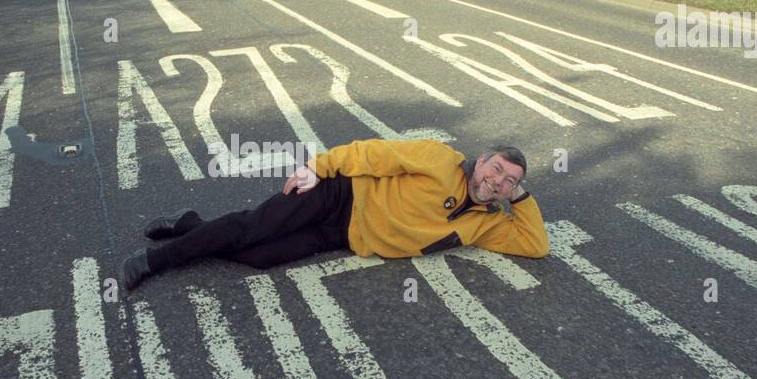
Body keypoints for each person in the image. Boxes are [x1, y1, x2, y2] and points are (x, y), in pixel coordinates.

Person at [123, 138, 548, 292]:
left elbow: (535, 246)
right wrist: (317, 168)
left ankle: (190, 226)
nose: (497, 182)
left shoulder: (488, 223)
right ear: (482, 160)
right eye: (496, 169)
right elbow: (372, 153)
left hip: (343, 236)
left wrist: (523, 199)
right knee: (250, 229)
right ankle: (154, 261)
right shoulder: (439, 159)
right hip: (339, 195)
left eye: (510, 182)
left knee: (257, 257)